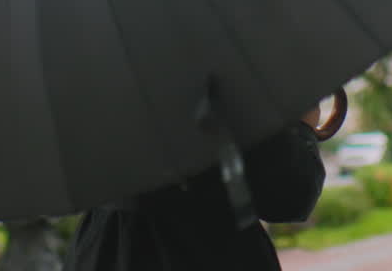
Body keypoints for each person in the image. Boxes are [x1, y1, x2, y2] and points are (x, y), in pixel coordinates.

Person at [64, 105, 330, 271]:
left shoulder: (92, 63)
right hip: (209, 249)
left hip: (103, 249)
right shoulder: (210, 54)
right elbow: (288, 195)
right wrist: (301, 125)